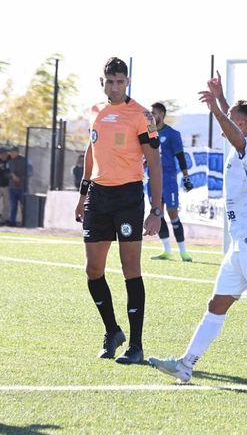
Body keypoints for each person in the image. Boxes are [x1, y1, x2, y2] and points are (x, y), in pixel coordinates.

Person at [149, 72, 247, 390]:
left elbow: (235, 133)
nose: (226, 122)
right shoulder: (244, 145)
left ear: (243, 126)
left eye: (233, 119)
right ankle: (185, 365)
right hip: (239, 245)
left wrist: (217, 110)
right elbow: (234, 126)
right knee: (216, 304)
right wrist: (221, 98)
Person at [74, 57, 162, 365]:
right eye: (110, 82)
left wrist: (156, 210)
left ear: (128, 82)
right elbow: (91, 151)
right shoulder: (95, 111)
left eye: (120, 82)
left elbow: (154, 163)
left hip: (128, 197)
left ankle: (136, 346)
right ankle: (112, 331)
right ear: (102, 82)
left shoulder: (141, 115)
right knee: (93, 270)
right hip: (98, 196)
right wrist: (83, 194)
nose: (114, 87)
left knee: (130, 269)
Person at [146, 102, 193, 262]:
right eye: (150, 113)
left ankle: (183, 252)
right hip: (152, 179)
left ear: (162, 114)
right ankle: (166, 251)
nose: (151, 116)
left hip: (168, 180)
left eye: (154, 113)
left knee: (173, 213)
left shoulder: (172, 134)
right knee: (157, 213)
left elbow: (180, 156)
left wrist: (186, 178)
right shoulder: (147, 132)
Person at [7, 146, 28, 226]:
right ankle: (12, 222)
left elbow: (29, 173)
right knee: (13, 206)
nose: (11, 154)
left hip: (22, 187)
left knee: (24, 206)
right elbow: (6, 173)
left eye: (13, 152)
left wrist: (20, 178)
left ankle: (25, 222)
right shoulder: (9, 162)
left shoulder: (24, 161)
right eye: (11, 153)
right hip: (12, 187)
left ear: (17, 153)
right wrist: (11, 176)